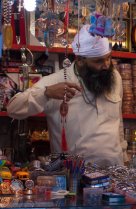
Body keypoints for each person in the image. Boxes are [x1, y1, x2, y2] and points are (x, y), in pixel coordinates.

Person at [7, 25, 128, 166]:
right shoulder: (56, 82)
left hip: (115, 171)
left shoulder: (114, 77)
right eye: (98, 61)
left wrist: (124, 157)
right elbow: (13, 109)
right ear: (80, 60)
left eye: (108, 58)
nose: (106, 65)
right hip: (75, 175)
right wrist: (46, 93)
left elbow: (118, 122)